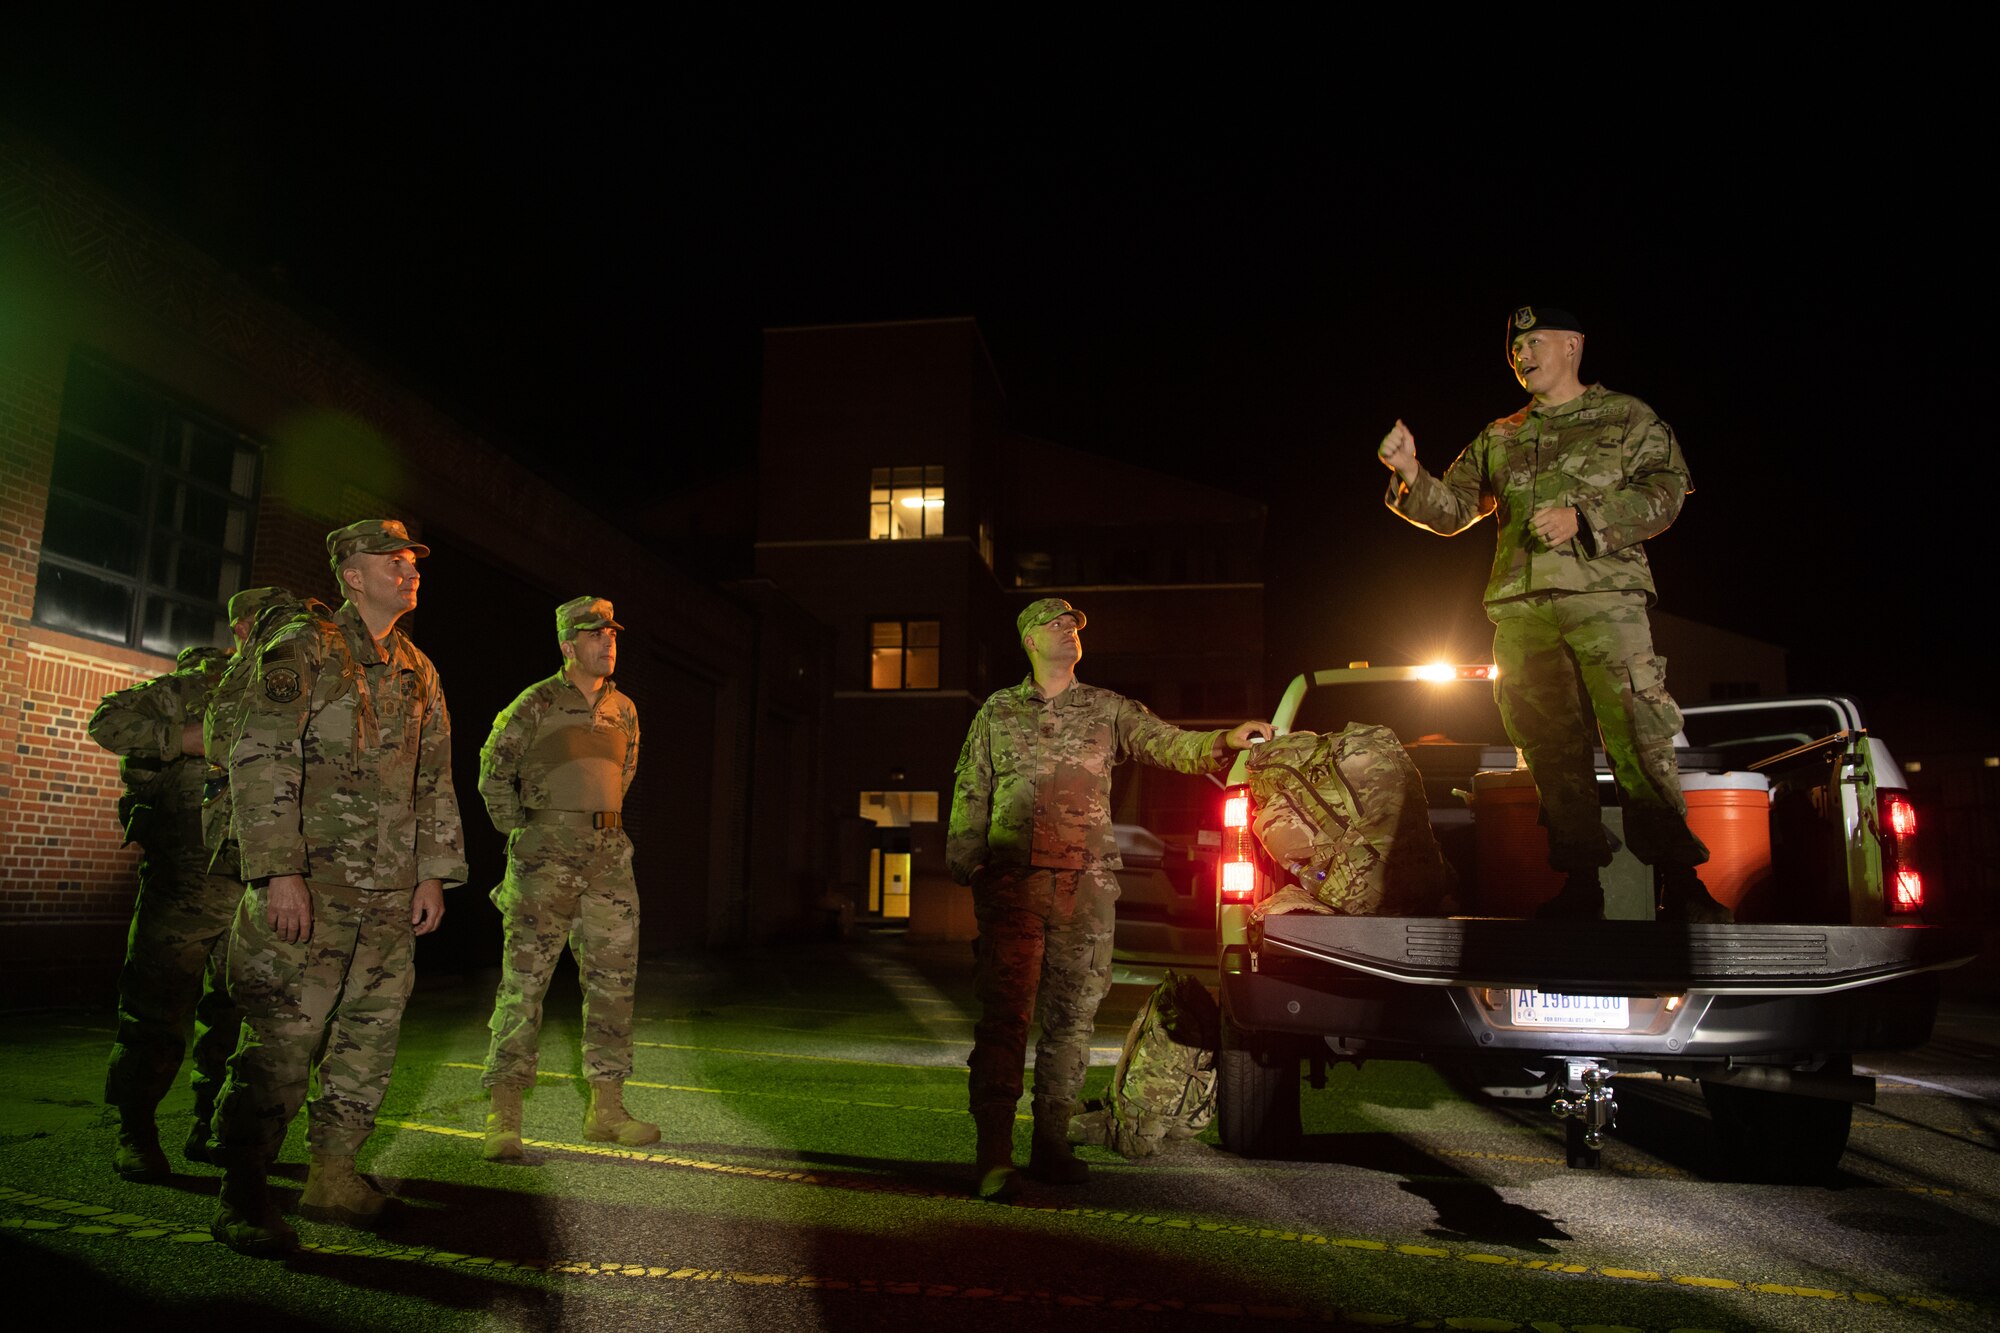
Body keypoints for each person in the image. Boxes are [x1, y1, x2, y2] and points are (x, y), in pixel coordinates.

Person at [1377, 304, 1730, 923]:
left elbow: (1664, 491)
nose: (1522, 355)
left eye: (1535, 342)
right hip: (1522, 610)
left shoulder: (1626, 416)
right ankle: (1581, 884)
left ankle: (1680, 881)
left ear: (1574, 345)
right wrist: (1410, 473)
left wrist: (1586, 519)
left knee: (1637, 733)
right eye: (1515, 348)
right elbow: (1454, 510)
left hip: (1605, 600)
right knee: (1548, 749)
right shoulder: (1502, 434)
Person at [947, 597, 1273, 1200]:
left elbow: (1165, 743)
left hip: (1086, 887)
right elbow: (973, 784)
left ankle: (1050, 1145)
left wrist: (1226, 738)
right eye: (1056, 624)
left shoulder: (1106, 708)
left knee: (1071, 1023)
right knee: (1005, 1021)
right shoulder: (998, 711)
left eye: (1075, 625)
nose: (1070, 632)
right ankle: (993, 1155)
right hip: (1015, 885)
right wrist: (970, 865)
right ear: (1029, 639)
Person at [208, 519, 467, 1256]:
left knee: (368, 1040)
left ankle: (334, 1175)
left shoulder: (420, 667)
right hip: (311, 888)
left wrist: (431, 871)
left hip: (387, 897)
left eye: (412, 557)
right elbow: (260, 754)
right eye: (391, 559)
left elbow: (433, 776)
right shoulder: (306, 646)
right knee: (283, 1040)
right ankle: (244, 1190)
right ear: (352, 575)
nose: (407, 568)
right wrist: (276, 870)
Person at [89, 586, 290, 1180]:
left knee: (235, 1015)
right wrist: (183, 739)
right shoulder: (198, 684)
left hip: (251, 882)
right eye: (275, 622)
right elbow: (108, 720)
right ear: (246, 627)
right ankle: (135, 1129)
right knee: (154, 1011)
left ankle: (212, 1128)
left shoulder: (290, 694)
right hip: (184, 882)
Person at [476, 595, 655, 1161]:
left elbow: (623, 777)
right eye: (594, 633)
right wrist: (524, 834)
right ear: (567, 644)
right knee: (523, 986)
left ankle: (607, 1111)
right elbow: (493, 774)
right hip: (543, 858)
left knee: (613, 986)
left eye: (612, 633)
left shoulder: (624, 709)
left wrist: (594, 828)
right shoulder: (534, 704)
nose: (607, 641)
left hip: (609, 860)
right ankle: (503, 1116)